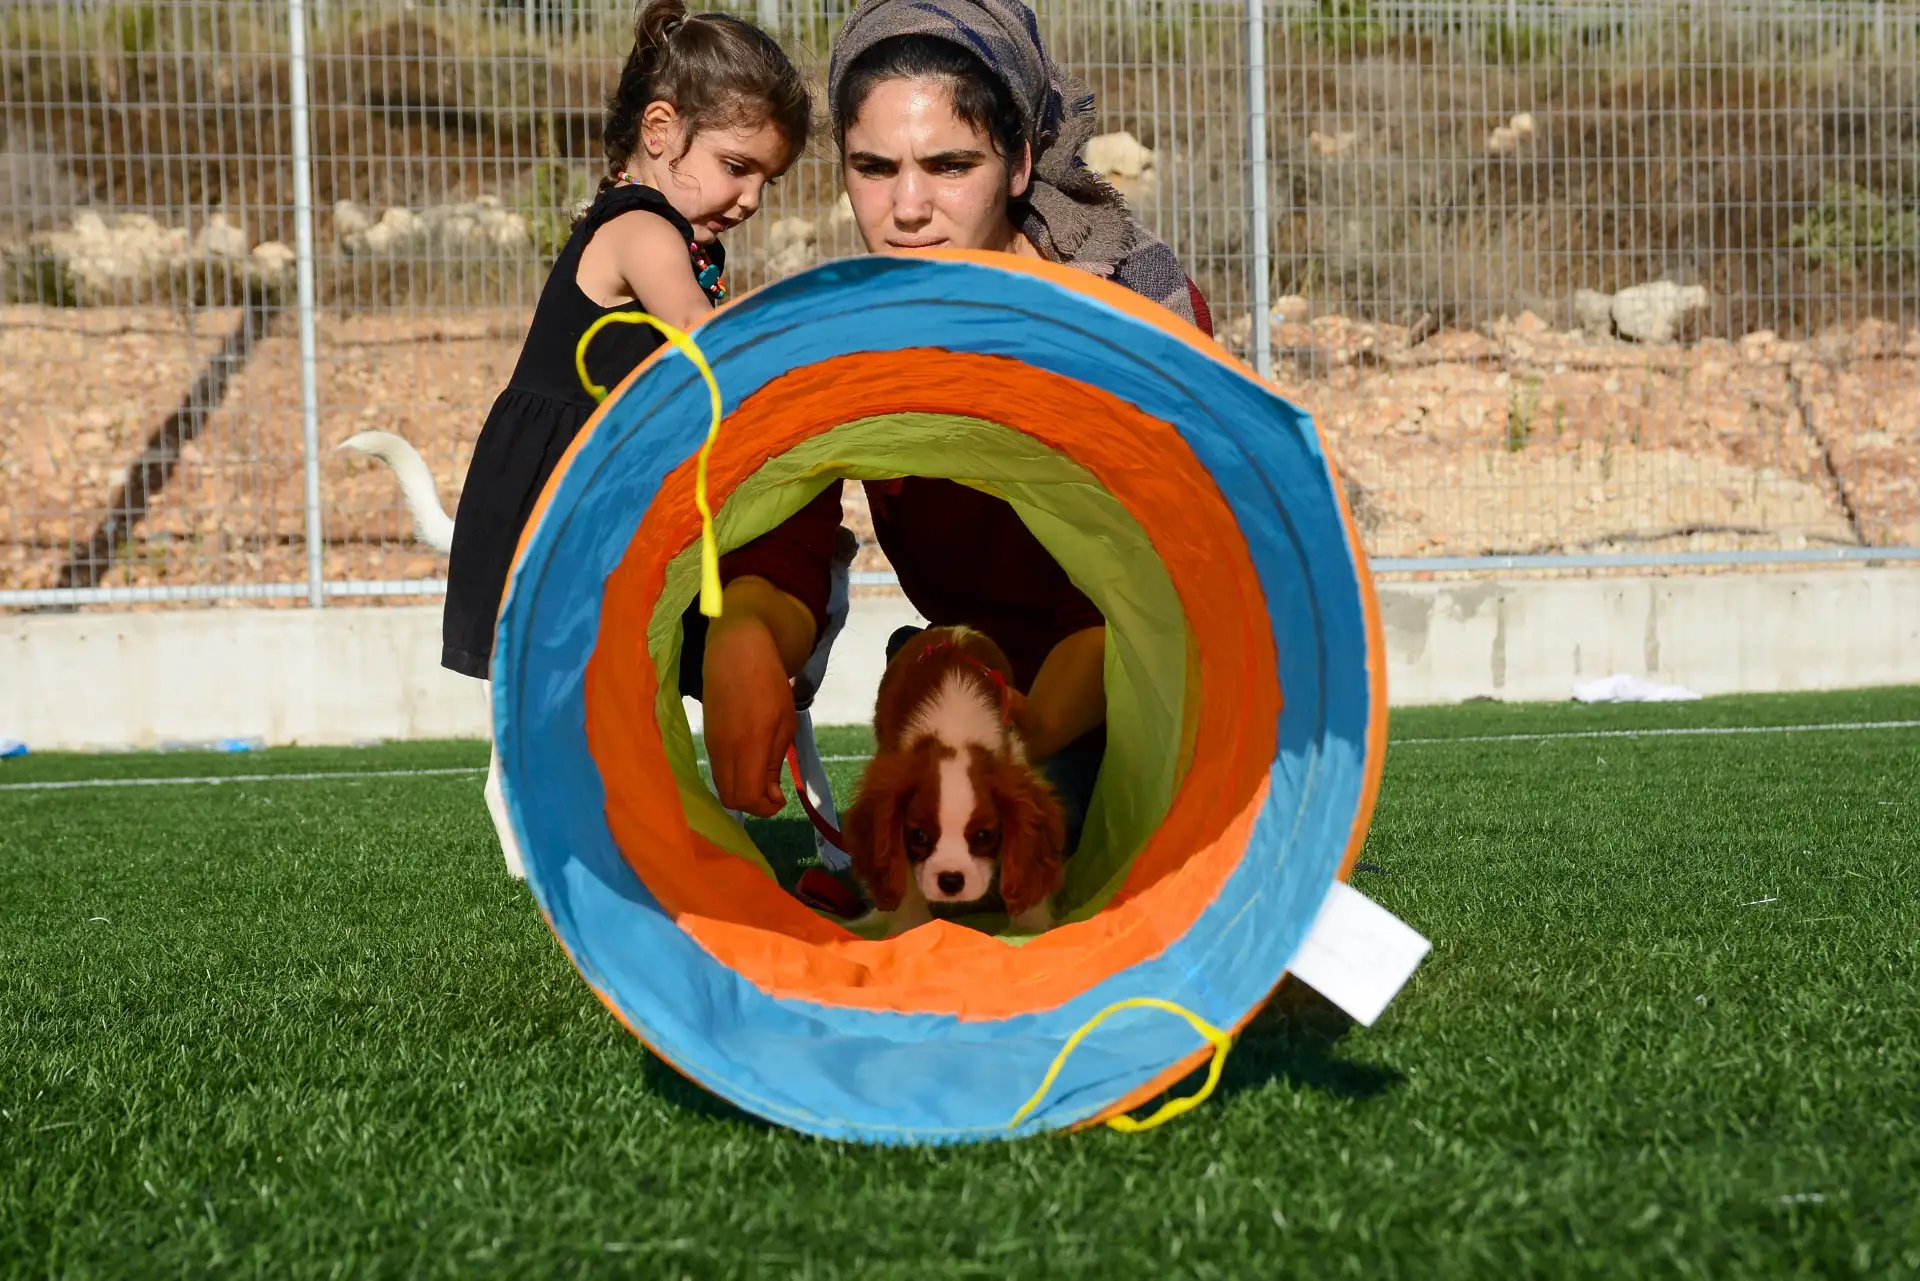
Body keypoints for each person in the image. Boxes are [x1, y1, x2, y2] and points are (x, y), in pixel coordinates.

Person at [687, 0, 1214, 869]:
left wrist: (1040, 723)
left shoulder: (1131, 312)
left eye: (950, 165)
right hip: (980, 684)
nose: (906, 207)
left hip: (1142, 691)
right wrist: (744, 633)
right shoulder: (844, 332)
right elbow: (781, 519)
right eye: (872, 166)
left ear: (1019, 164)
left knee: (1039, 855)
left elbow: (1151, 576)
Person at [436, 0, 809, 877]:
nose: (751, 198)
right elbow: (699, 330)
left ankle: (619, 813)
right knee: (553, 668)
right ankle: (527, 823)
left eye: (767, 181)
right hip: (552, 472)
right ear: (661, 129)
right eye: (735, 167)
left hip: (596, 471)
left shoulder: (674, 229)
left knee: (616, 661)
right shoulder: (642, 226)